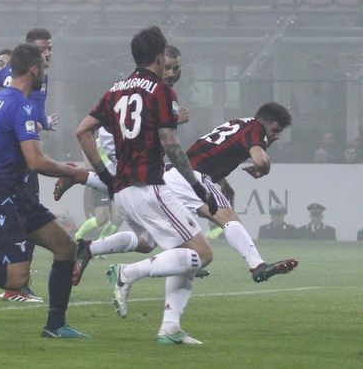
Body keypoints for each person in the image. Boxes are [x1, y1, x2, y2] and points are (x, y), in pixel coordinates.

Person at [75, 26, 215, 344]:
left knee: (177, 253)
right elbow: (169, 143)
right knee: (202, 254)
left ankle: (170, 328)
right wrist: (194, 184)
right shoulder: (160, 91)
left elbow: (82, 131)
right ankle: (127, 273)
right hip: (149, 186)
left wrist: (106, 175)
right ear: (158, 56)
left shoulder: (116, 90)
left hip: (123, 191)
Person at [60, 102, 298, 286]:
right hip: (192, 177)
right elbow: (259, 159)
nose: (275, 136)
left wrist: (223, 181)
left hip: (177, 174)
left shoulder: (240, 123)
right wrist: (263, 168)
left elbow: (211, 149)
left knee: (146, 241)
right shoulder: (256, 128)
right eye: (275, 130)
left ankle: (90, 248)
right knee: (228, 219)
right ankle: (257, 265)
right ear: (265, 122)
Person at [0, 44, 90, 338]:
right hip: (1, 194)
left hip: (12, 194)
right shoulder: (20, 106)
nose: (45, 72)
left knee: (66, 247)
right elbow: (35, 161)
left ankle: (55, 326)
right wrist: (73, 171)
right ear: (34, 69)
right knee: (16, 278)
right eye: (44, 67)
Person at [0, 29, 57, 302]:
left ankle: (15, 284)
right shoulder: (35, 79)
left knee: (10, 222)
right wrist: (43, 123)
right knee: (23, 219)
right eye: (43, 49)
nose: (48, 53)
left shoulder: (1, 74)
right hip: (19, 161)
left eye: (50, 48)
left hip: (0, 159)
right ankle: (16, 285)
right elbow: (37, 114)